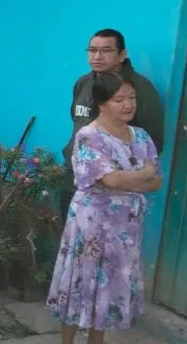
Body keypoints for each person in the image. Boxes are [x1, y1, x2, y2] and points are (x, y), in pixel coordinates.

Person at [47, 71, 160, 344]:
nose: (127, 105)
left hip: (125, 227)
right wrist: (141, 174)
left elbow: (157, 180)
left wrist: (132, 178)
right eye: (118, 99)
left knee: (110, 287)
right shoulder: (89, 136)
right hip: (91, 226)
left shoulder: (141, 137)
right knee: (80, 286)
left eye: (131, 98)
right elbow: (107, 180)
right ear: (101, 103)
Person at [62, 29, 164, 214]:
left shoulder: (139, 89)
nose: (97, 57)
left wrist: (131, 178)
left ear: (122, 54)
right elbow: (77, 123)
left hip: (119, 191)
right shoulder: (84, 84)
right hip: (77, 179)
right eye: (92, 51)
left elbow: (152, 140)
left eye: (106, 51)